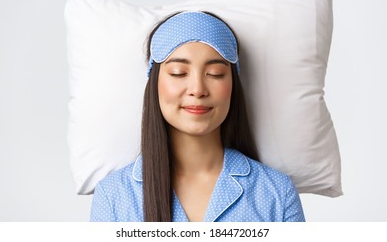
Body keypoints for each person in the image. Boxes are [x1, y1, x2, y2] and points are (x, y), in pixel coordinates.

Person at [90, 11, 305, 222]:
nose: (197, 89)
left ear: (233, 86)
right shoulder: (113, 196)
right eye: (178, 72)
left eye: (215, 74)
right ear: (155, 84)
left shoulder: (277, 193)